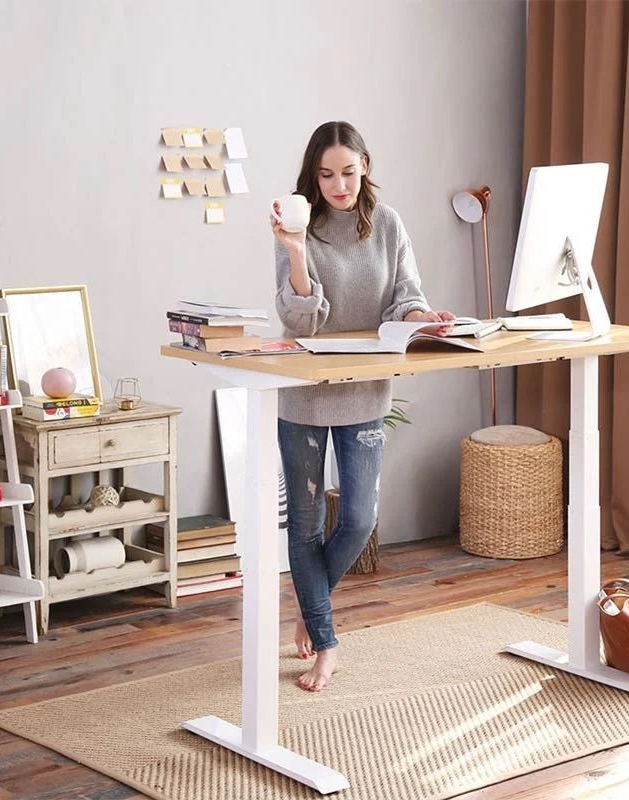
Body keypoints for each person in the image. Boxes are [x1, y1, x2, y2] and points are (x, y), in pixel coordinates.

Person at [270, 120, 454, 691]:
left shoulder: (389, 224)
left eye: (348, 172)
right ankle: (326, 644)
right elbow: (299, 318)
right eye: (326, 175)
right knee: (303, 526)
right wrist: (297, 252)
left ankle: (311, 596)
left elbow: (406, 298)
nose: (339, 185)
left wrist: (425, 319)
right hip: (305, 393)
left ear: (365, 166)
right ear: (314, 176)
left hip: (366, 389)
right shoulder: (296, 226)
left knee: (359, 519)